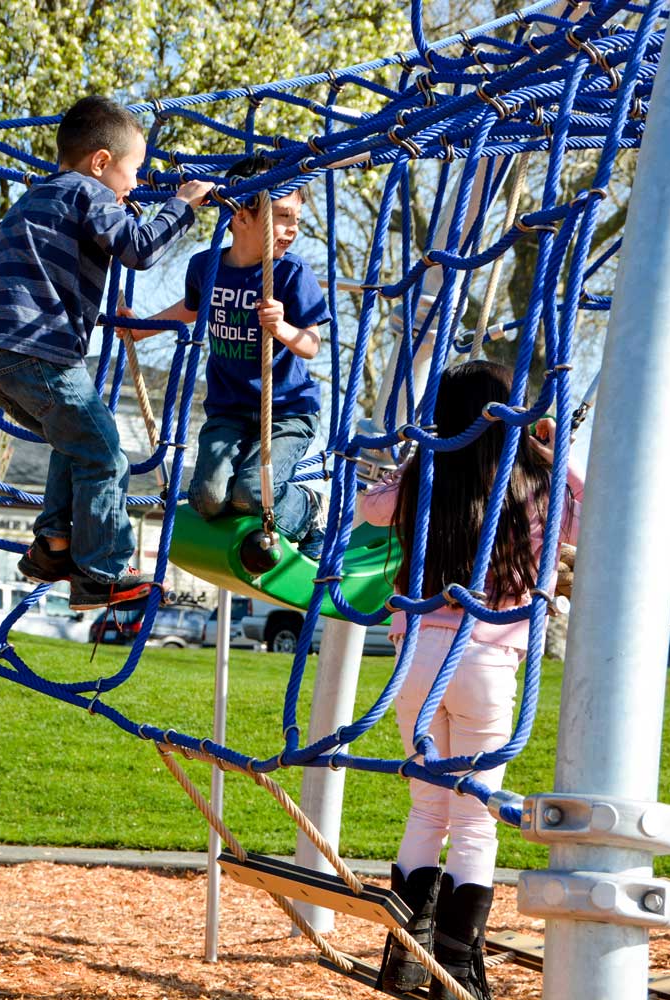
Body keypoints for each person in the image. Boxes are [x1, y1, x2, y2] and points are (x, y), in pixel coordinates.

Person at [360, 362, 583, 1000]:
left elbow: (371, 510)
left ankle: (404, 963)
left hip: (418, 654)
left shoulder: (429, 469)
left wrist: (413, 456)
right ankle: (456, 969)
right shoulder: (537, 479)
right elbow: (590, 511)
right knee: (476, 817)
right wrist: (550, 447)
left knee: (429, 806)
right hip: (487, 658)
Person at [0, 96, 215, 611]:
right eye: (134, 171)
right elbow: (139, 249)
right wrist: (182, 206)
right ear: (101, 162)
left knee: (75, 443)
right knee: (105, 454)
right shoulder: (89, 192)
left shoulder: (35, 196)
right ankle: (104, 571)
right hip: (40, 347)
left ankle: (53, 546)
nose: (136, 184)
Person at [127, 156, 331, 558]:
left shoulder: (291, 273)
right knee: (206, 498)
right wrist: (140, 328)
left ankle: (306, 512)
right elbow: (189, 309)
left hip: (287, 410)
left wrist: (283, 328)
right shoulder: (206, 266)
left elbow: (311, 344)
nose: (292, 229)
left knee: (254, 491)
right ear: (240, 217)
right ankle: (243, 517)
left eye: (297, 219)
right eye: (283, 217)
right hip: (229, 410)